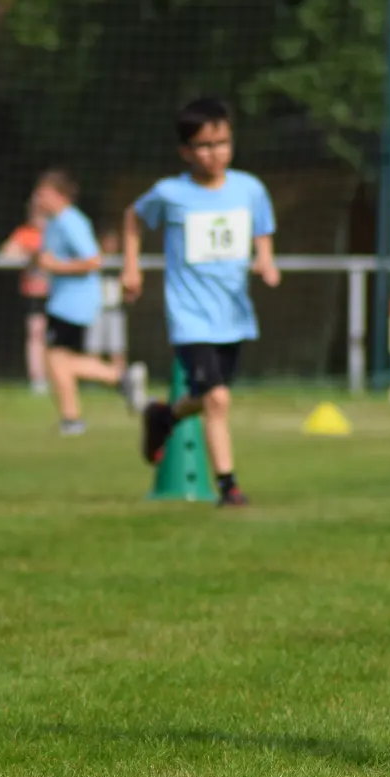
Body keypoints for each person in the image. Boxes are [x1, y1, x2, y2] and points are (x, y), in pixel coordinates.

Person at [122, 97, 280, 507]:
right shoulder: (170, 193)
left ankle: (164, 416)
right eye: (205, 146)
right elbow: (133, 218)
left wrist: (265, 259)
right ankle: (229, 487)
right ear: (186, 152)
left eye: (223, 142)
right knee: (218, 398)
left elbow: (262, 229)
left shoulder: (249, 189)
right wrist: (131, 268)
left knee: (208, 395)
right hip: (190, 315)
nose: (215, 153)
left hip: (233, 314)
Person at [30, 169, 147, 434]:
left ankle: (117, 379)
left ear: (59, 195)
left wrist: (56, 266)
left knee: (58, 360)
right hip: (62, 302)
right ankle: (74, 416)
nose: (38, 198)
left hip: (73, 304)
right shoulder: (55, 222)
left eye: (43, 193)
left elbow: (94, 260)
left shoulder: (71, 221)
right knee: (58, 360)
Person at [0, 200, 51, 394]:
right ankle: (38, 379)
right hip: (35, 295)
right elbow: (6, 254)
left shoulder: (57, 233)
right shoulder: (25, 233)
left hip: (58, 294)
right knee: (36, 334)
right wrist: (28, 254)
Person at [89, 227, 131, 375]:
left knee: (117, 348)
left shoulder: (122, 262)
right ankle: (93, 378)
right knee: (94, 347)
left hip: (115, 310)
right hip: (96, 310)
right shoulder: (94, 261)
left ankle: (121, 378)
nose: (111, 245)